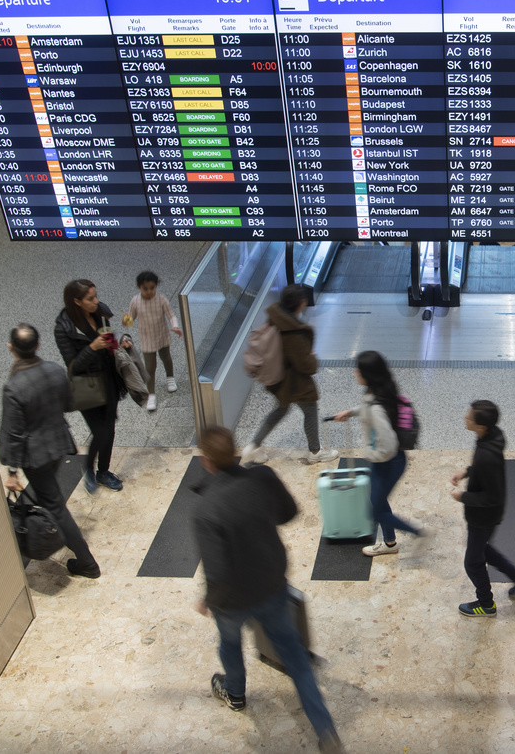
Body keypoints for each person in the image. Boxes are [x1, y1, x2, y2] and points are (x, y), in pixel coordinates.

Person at [192, 426, 344, 754]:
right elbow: (289, 513)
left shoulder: (205, 509)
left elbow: (216, 571)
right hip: (271, 585)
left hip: (231, 602)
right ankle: (326, 729)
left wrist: (208, 601)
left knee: (230, 646)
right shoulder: (261, 477)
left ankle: (235, 694)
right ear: (233, 451)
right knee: (295, 658)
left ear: (206, 462)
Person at [0, 323, 100, 579]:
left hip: (36, 457)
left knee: (54, 506)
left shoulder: (14, 387)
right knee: (51, 498)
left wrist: (12, 471)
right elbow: (68, 403)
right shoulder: (55, 370)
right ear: (38, 345)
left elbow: (13, 432)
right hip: (59, 446)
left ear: (12, 349)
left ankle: (87, 562)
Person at [333, 351, 425, 557]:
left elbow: (389, 445)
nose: (354, 372)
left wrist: (369, 454)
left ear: (368, 374)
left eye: (358, 369)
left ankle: (419, 533)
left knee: (375, 510)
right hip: (385, 461)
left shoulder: (375, 405)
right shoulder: (380, 390)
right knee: (378, 502)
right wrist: (351, 412)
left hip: (389, 462)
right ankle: (390, 543)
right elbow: (372, 407)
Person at [450, 400, 515, 617]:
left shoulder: (487, 454)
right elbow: (481, 468)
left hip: (483, 516)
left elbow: (490, 496)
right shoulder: (491, 437)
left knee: (472, 563)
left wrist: (463, 496)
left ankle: (486, 604)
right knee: (482, 549)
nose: (465, 418)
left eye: (469, 417)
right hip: (488, 515)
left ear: (481, 426)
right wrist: (466, 472)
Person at [243, 284, 337, 465]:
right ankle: (315, 453)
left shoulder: (276, 318)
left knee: (281, 409)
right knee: (310, 410)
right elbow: (305, 365)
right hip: (293, 382)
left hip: (276, 378)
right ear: (301, 303)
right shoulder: (293, 331)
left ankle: (252, 447)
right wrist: (312, 358)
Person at [55, 279, 126, 494]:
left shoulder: (100, 312)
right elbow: (73, 366)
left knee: (110, 429)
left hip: (108, 379)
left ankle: (103, 471)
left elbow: (109, 340)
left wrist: (120, 343)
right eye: (90, 299)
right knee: (100, 432)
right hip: (87, 385)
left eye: (96, 296)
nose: (96, 301)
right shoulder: (63, 328)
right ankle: (88, 467)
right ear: (76, 301)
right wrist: (93, 347)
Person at [123, 270, 180, 413]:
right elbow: (130, 318)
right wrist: (126, 320)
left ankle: (170, 377)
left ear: (156, 286)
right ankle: (151, 394)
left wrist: (175, 326)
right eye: (145, 289)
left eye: (152, 288)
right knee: (150, 367)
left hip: (162, 335)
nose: (149, 292)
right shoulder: (135, 301)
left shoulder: (161, 300)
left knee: (166, 358)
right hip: (147, 340)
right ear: (139, 287)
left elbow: (171, 315)